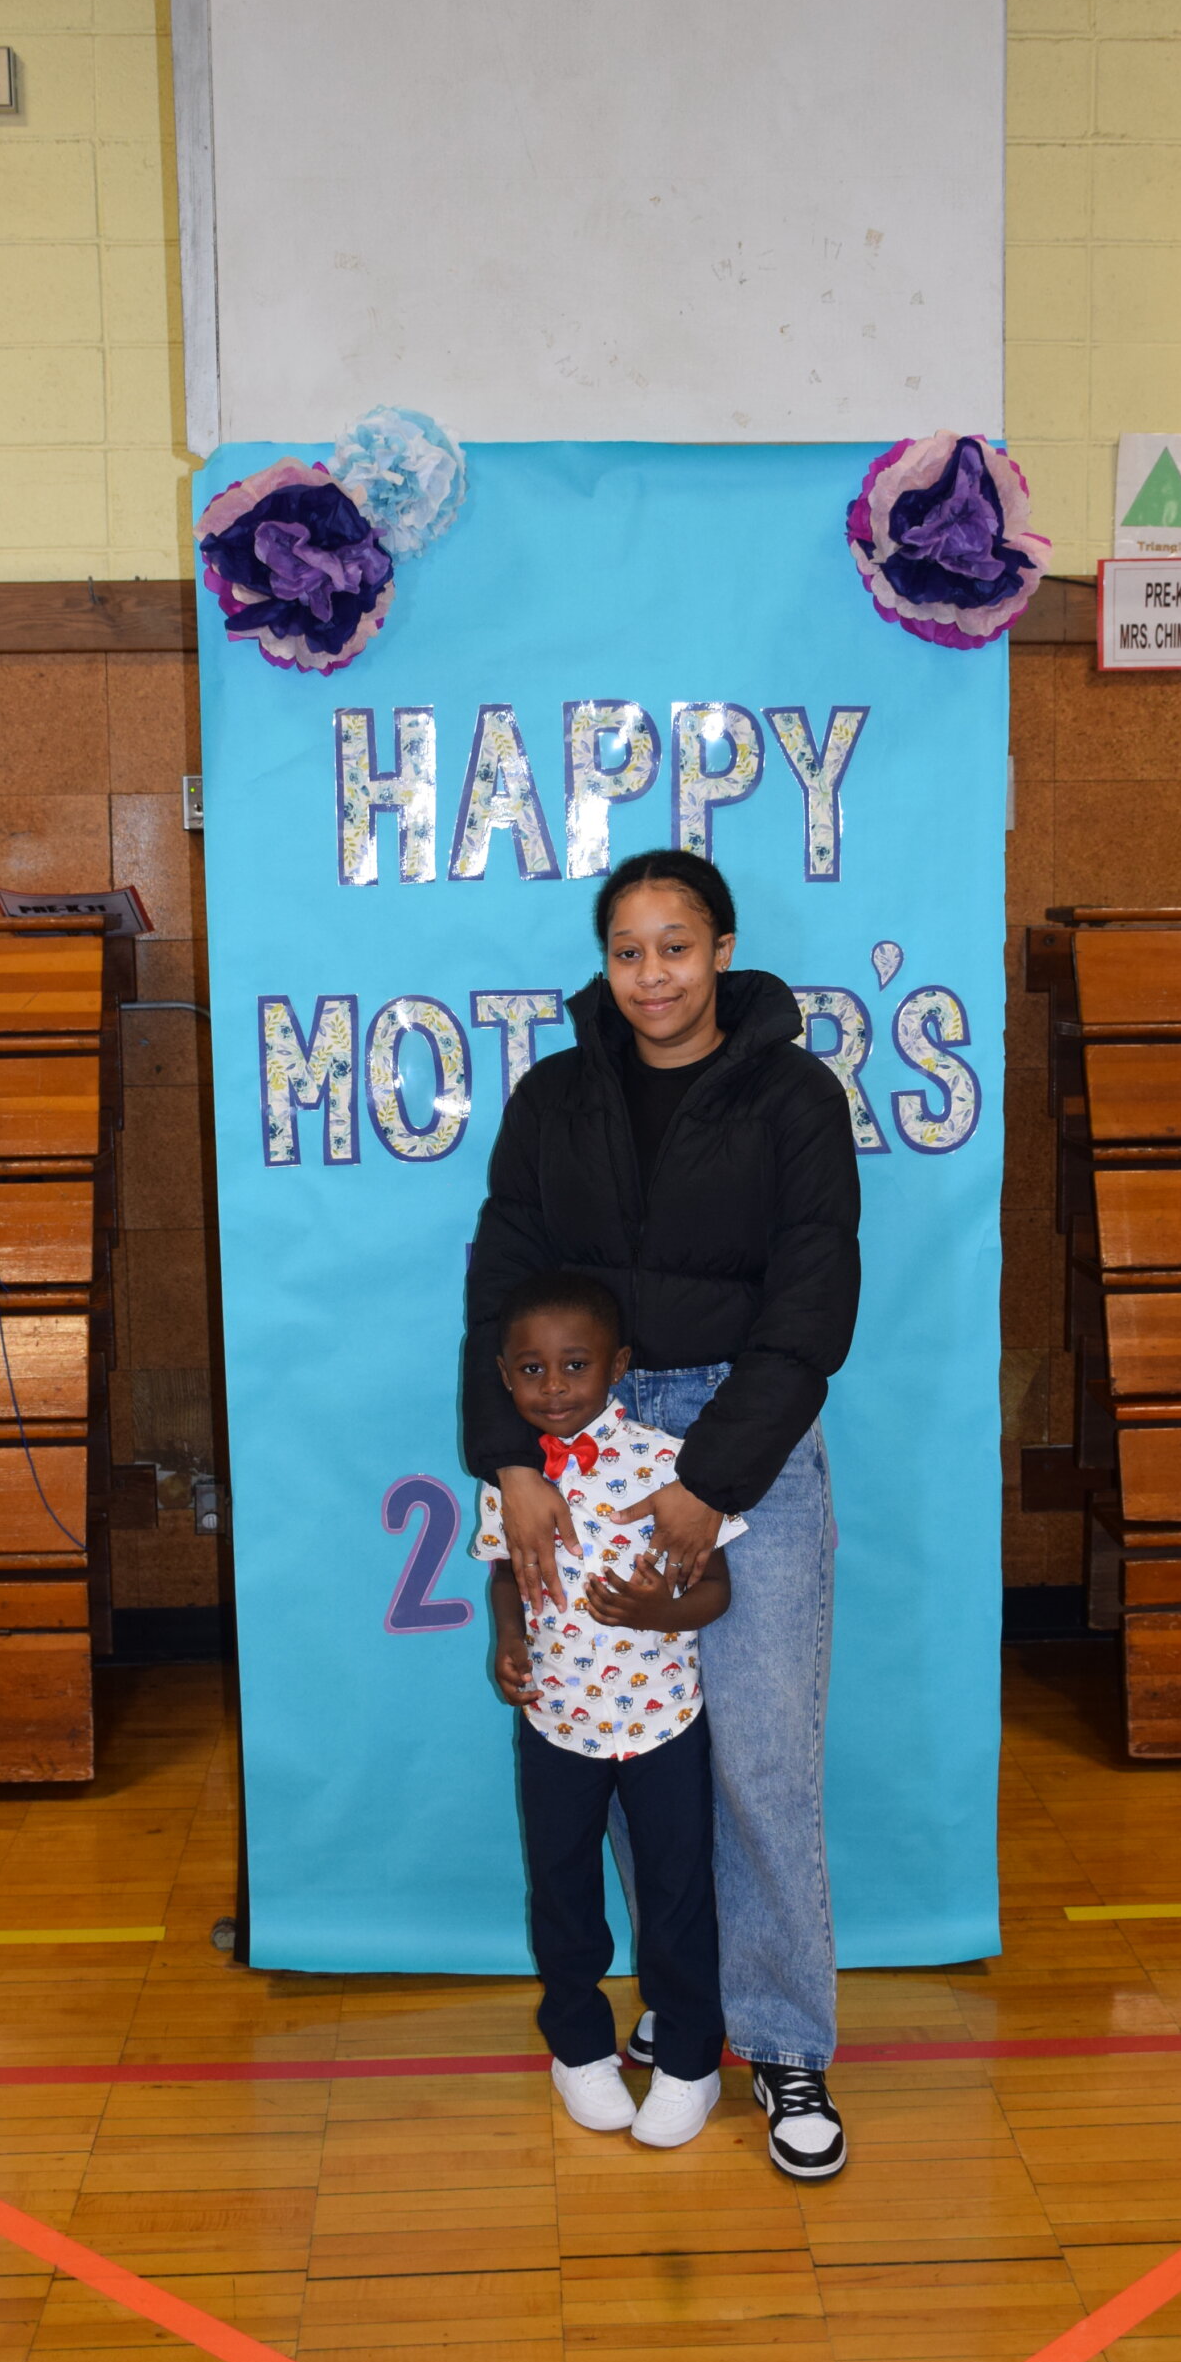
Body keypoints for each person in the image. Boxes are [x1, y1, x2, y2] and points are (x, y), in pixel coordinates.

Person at [463, 848, 860, 2181]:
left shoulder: (795, 1097)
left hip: (742, 1442)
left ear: (724, 948)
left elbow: (812, 1312)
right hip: (579, 1448)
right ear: (607, 962)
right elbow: (503, 1291)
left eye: (676, 946)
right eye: (628, 951)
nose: (653, 975)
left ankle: (785, 2040)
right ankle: (687, 2008)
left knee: (754, 1760)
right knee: (622, 1755)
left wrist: (706, 1484)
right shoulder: (555, 1099)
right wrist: (514, 1459)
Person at [474, 1270, 745, 2147]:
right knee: (562, 1893)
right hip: (556, 1725)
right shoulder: (511, 1481)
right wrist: (507, 1639)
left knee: (677, 1896)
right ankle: (579, 2049)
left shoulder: (670, 1464)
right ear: (504, 1376)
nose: (553, 1389)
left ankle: (691, 2063)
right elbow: (504, 1576)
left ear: (620, 1367)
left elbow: (717, 1594)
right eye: (530, 1371)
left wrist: (658, 1611)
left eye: (576, 1366)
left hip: (664, 1724)